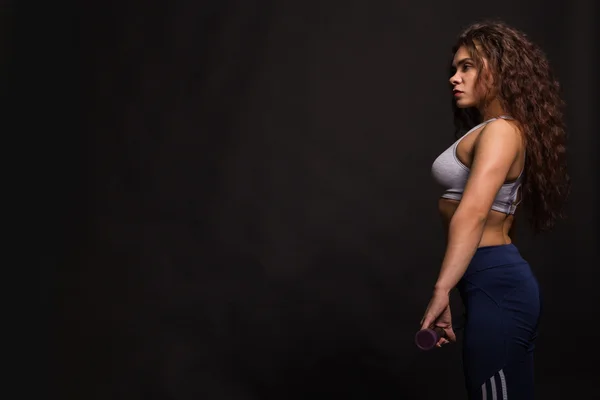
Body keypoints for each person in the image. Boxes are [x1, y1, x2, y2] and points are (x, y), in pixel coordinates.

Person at [420, 20, 570, 399]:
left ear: (500, 69)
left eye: (467, 67)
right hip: (487, 281)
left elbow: (473, 214)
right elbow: (503, 217)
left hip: (494, 282)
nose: (455, 77)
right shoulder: (494, 130)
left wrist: (442, 291)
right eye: (454, 68)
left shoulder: (501, 131)